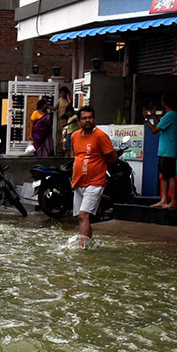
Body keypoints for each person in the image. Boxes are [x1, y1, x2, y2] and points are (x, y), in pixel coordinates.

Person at [70, 104, 118, 246]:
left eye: (90, 118)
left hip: (95, 182)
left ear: (94, 119)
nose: (88, 120)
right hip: (78, 182)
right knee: (82, 218)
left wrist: (99, 168)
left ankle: (82, 246)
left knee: (83, 215)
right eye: (84, 118)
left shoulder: (100, 136)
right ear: (79, 121)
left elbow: (112, 157)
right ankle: (89, 244)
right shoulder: (74, 136)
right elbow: (77, 155)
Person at [145, 93, 177, 208]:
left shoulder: (170, 115)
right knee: (164, 176)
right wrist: (153, 115)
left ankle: (173, 200)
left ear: (165, 103)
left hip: (168, 151)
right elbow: (160, 125)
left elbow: (155, 130)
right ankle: (164, 199)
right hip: (165, 150)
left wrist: (146, 118)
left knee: (170, 176)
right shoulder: (170, 115)